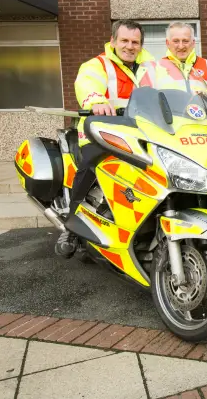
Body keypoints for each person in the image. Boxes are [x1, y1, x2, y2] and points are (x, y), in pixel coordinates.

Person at [56, 19, 159, 258]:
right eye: (124, 40)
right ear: (113, 41)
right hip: (101, 133)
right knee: (91, 165)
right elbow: (87, 84)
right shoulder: (97, 64)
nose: (130, 46)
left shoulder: (152, 66)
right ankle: (71, 225)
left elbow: (168, 91)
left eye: (135, 42)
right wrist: (96, 101)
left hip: (140, 135)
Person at [156, 21, 207, 94]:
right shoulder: (156, 68)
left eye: (185, 41)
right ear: (167, 43)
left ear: (193, 43)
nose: (181, 46)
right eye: (176, 41)